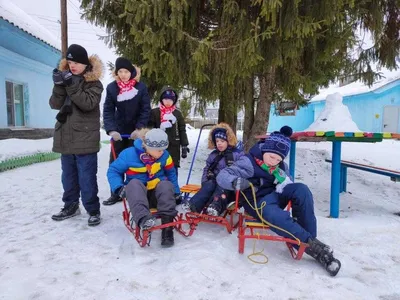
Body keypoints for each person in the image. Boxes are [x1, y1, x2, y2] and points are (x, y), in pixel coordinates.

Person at [216, 126, 341, 276]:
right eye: (271, 157)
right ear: (264, 150)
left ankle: (310, 241)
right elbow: (223, 175)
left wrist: (287, 184)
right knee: (274, 215)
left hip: (276, 195)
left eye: (278, 159)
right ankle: (314, 247)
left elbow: (288, 184)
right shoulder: (248, 162)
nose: (273, 162)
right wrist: (235, 181)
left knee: (302, 189)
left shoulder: (281, 166)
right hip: (257, 200)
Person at [49, 44, 104, 226]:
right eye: (70, 62)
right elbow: (54, 104)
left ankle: (93, 210)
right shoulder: (65, 80)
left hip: (85, 139)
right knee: (68, 177)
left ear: (85, 64)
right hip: (66, 137)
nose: (73, 66)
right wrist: (59, 85)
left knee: (87, 177)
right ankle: (71, 206)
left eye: (77, 63)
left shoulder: (94, 83)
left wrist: (71, 85)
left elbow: (87, 103)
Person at [107, 128, 180, 247]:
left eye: (163, 149)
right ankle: (144, 219)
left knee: (166, 184)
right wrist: (118, 187)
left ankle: (167, 228)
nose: (161, 153)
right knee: (134, 183)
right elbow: (113, 171)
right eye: (158, 150)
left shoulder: (165, 156)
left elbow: (171, 174)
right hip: (138, 196)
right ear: (147, 146)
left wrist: (176, 192)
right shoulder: (129, 155)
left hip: (158, 196)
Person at [102, 57, 151, 206]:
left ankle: (135, 191)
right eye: (120, 71)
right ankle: (115, 192)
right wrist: (111, 130)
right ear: (117, 73)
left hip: (135, 131)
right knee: (116, 161)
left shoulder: (141, 88)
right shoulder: (112, 88)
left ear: (132, 72)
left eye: (126, 71)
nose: (123, 74)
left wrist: (139, 129)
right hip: (119, 131)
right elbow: (108, 110)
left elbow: (145, 109)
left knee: (136, 160)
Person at [184, 123, 243, 216]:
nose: (219, 143)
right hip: (214, 181)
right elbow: (207, 168)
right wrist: (205, 181)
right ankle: (194, 204)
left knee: (222, 186)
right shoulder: (214, 155)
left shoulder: (237, 155)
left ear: (228, 141)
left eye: (222, 141)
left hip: (230, 186)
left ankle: (215, 206)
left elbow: (242, 170)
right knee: (209, 185)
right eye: (217, 141)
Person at [148, 86, 189, 183]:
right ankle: (157, 191)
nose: (168, 102)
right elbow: (149, 129)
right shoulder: (155, 112)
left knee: (172, 169)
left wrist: (184, 145)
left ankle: (174, 191)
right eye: (165, 99)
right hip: (158, 146)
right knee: (158, 168)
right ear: (161, 99)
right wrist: (159, 130)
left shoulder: (177, 114)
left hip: (174, 146)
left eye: (171, 100)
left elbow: (182, 129)